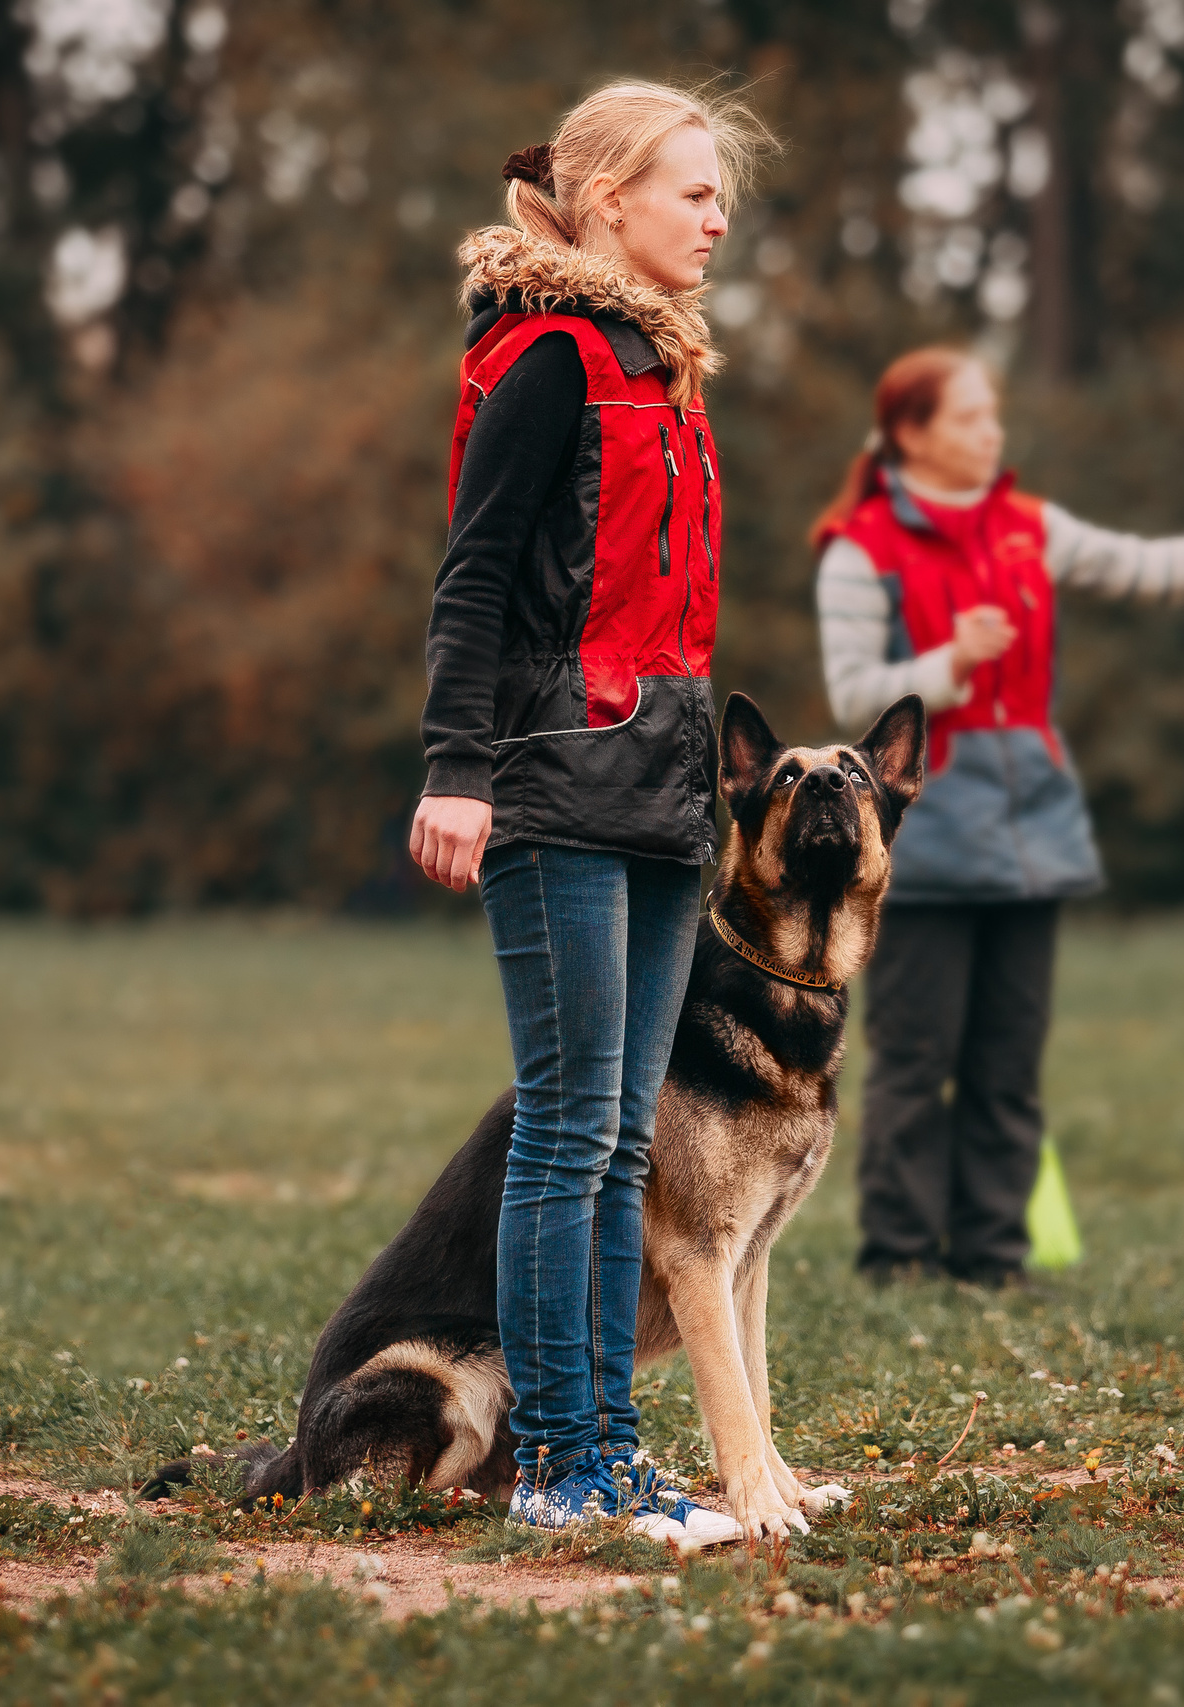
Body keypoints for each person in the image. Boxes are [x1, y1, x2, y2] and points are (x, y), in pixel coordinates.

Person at [408, 82, 769, 1546]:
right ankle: (566, 1466)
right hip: (555, 781)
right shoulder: (550, 355)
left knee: (622, 1141)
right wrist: (454, 766)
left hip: (669, 788)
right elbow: (475, 577)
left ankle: (613, 1456)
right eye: (690, 188)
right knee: (568, 1136)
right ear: (605, 197)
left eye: (719, 191)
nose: (716, 213)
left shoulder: (659, 363)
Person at [813, 348, 1184, 1287]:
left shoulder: (1028, 527)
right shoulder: (861, 550)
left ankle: (994, 1258)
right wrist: (946, 664)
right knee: (916, 1062)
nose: (992, 433)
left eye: (992, 416)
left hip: (1033, 838)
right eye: (970, 419)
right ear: (913, 435)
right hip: (923, 846)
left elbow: (1154, 566)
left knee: (1008, 1063)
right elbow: (853, 696)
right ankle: (898, 1260)